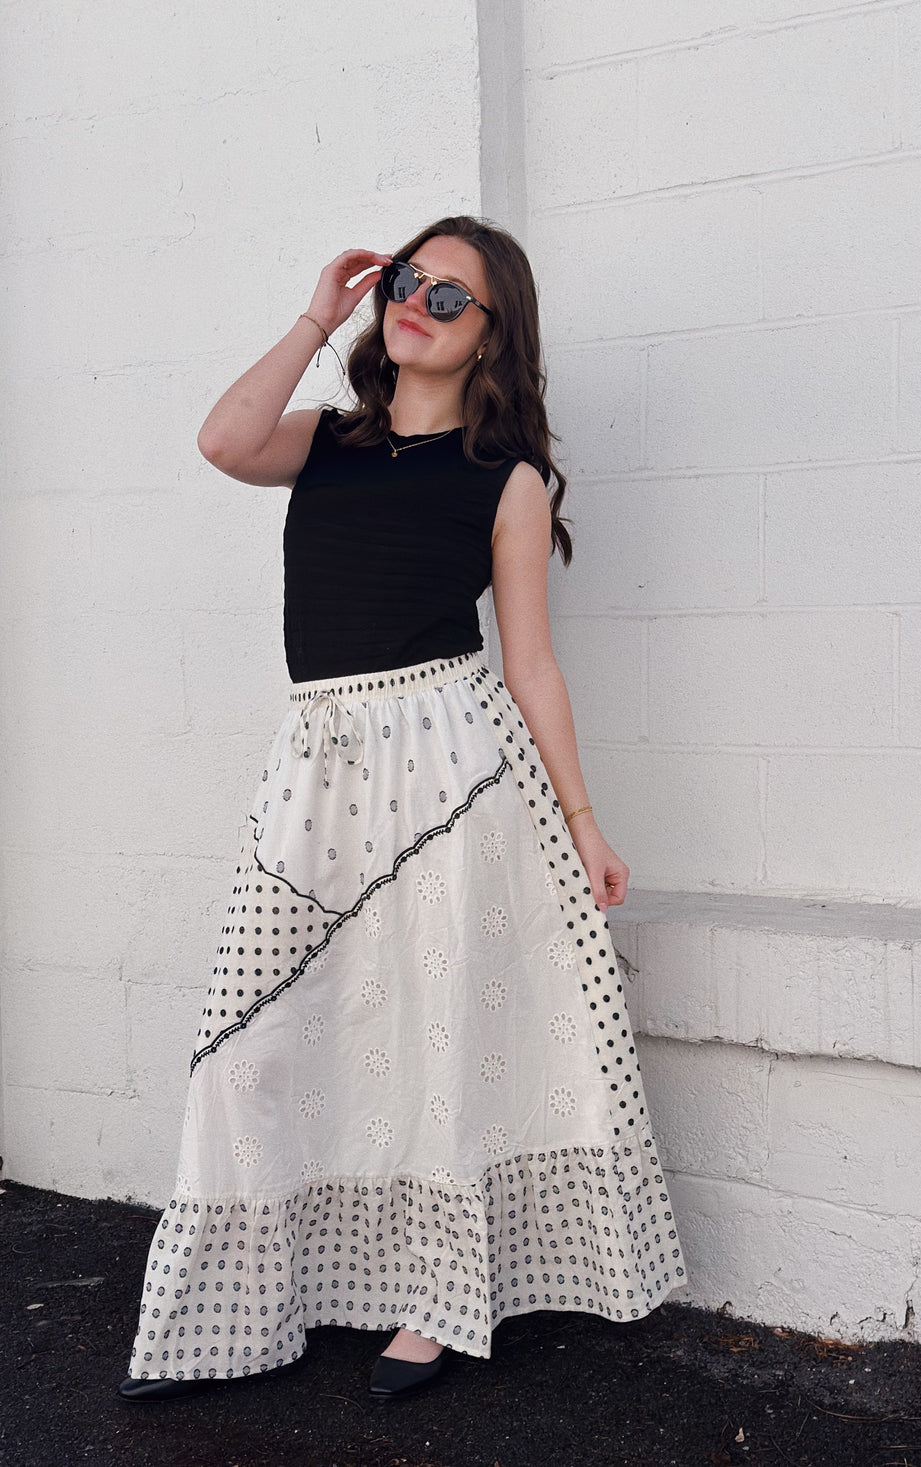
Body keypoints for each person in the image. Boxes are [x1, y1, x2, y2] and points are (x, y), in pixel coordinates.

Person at [118, 215, 685, 1404]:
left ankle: (437, 1301)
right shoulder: (326, 440)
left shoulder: (504, 479)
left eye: (450, 295)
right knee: (254, 1036)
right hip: (317, 759)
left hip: (448, 763)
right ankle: (250, 1297)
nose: (419, 302)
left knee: (436, 1028)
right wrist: (317, 316)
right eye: (410, 281)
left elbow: (530, 663)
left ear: (492, 334)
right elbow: (222, 441)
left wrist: (583, 821)